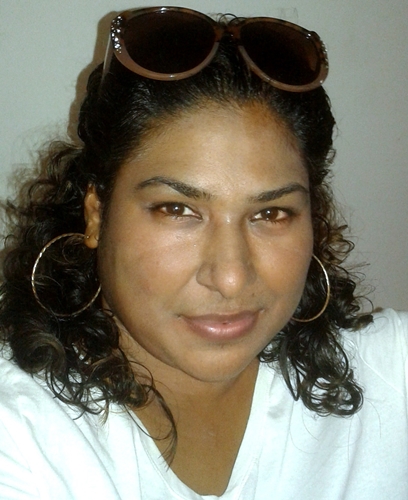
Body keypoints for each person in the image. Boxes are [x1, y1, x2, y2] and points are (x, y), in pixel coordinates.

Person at [0, 6, 406, 500]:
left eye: (271, 213)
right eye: (177, 209)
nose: (231, 277)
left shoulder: (390, 375)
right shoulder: (20, 440)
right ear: (97, 214)